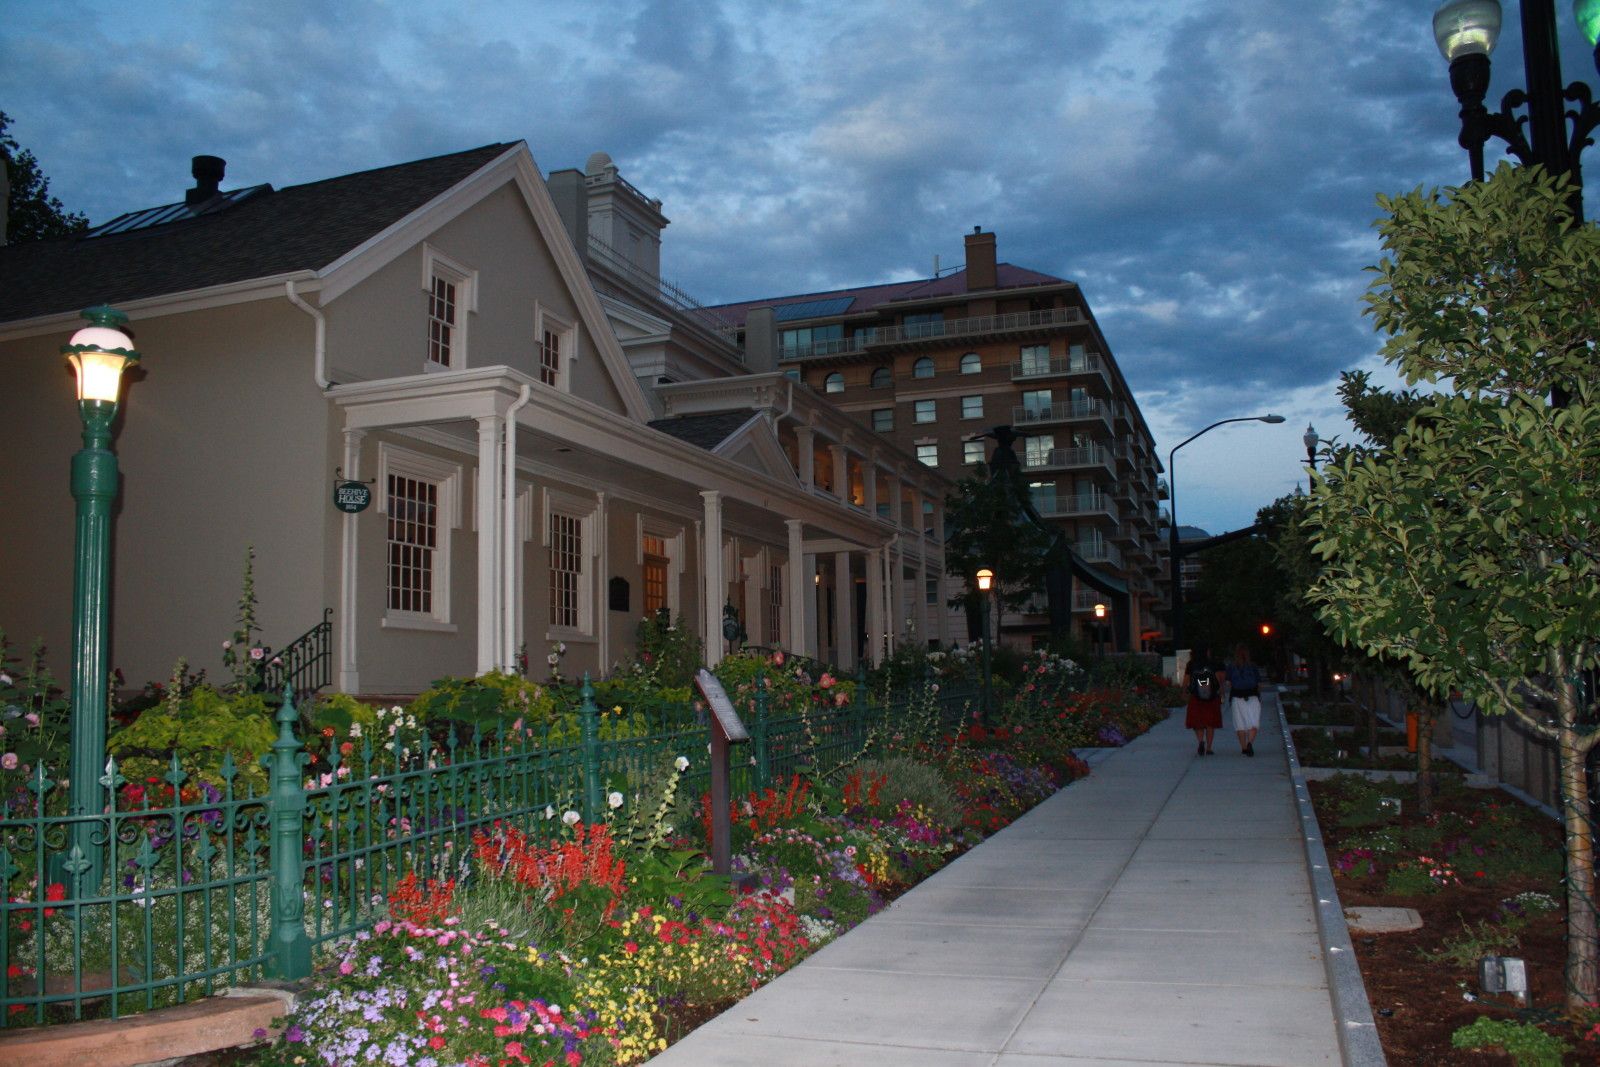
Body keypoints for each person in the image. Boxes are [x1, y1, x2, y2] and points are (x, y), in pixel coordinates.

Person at [1183, 648, 1222, 755]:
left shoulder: (1191, 664)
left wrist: (1184, 692)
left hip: (1196, 697)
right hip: (1211, 697)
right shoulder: (1212, 664)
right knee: (1210, 723)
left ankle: (1201, 741)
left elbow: (1186, 680)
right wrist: (1221, 693)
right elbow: (1218, 679)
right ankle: (1209, 748)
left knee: (1197, 722)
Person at [1226, 644, 1263, 756]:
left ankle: (1243, 748)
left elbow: (1229, 683)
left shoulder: (1231, 667)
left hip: (1237, 698)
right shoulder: (1253, 666)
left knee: (1240, 724)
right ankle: (1250, 743)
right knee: (1253, 723)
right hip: (1252, 697)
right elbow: (1259, 684)